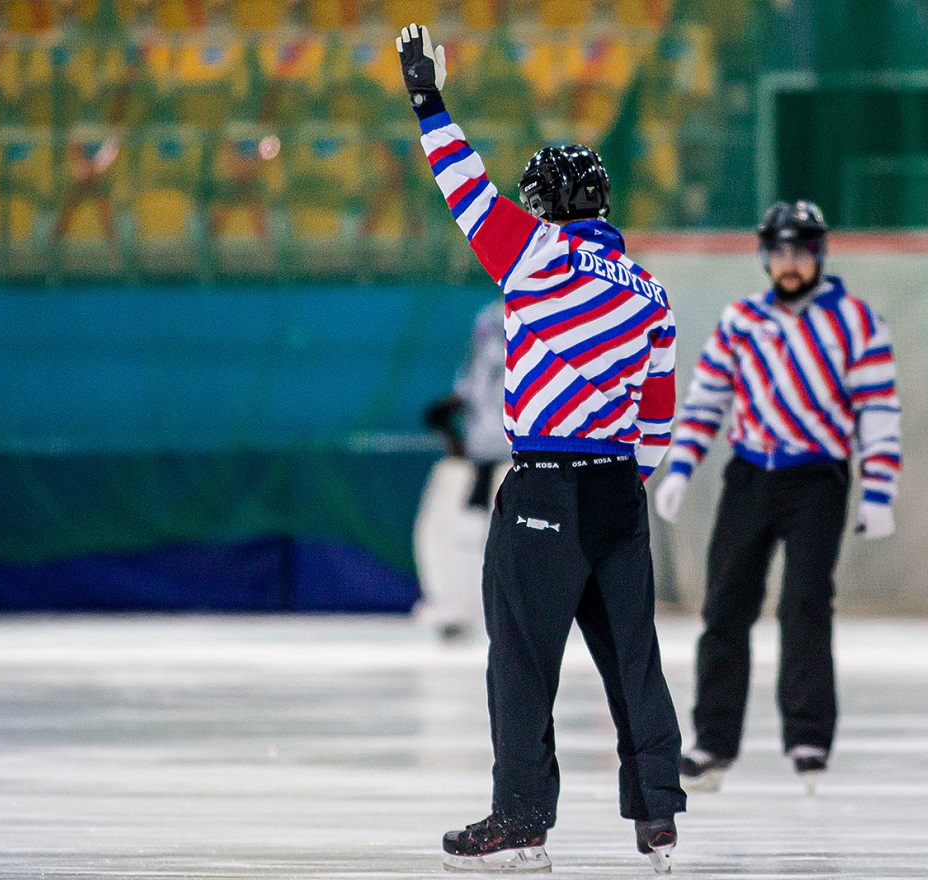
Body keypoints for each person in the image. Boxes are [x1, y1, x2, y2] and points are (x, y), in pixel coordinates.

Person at [395, 23, 686, 874]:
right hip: (616, 495)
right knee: (634, 656)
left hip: (545, 487)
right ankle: (657, 816)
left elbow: (463, 187)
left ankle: (522, 819)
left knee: (522, 656)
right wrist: (624, 478)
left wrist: (428, 100)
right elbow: (659, 414)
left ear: (548, 204)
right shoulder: (650, 289)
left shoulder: (537, 258)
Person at [654, 200, 901, 795]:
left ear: (819, 254)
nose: (790, 264)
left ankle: (809, 736)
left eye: (802, 251)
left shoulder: (857, 322)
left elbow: (879, 410)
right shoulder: (740, 321)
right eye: (780, 251)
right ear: (766, 256)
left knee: (805, 604)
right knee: (725, 606)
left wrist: (878, 489)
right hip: (751, 475)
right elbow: (706, 399)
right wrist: (681, 469)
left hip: (818, 478)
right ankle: (712, 741)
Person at [412, 299, 509, 643]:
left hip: (500, 449)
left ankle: (460, 605)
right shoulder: (490, 316)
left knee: (462, 528)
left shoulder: (503, 315)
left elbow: (480, 383)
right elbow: (477, 381)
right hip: (496, 448)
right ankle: (459, 604)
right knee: (462, 527)